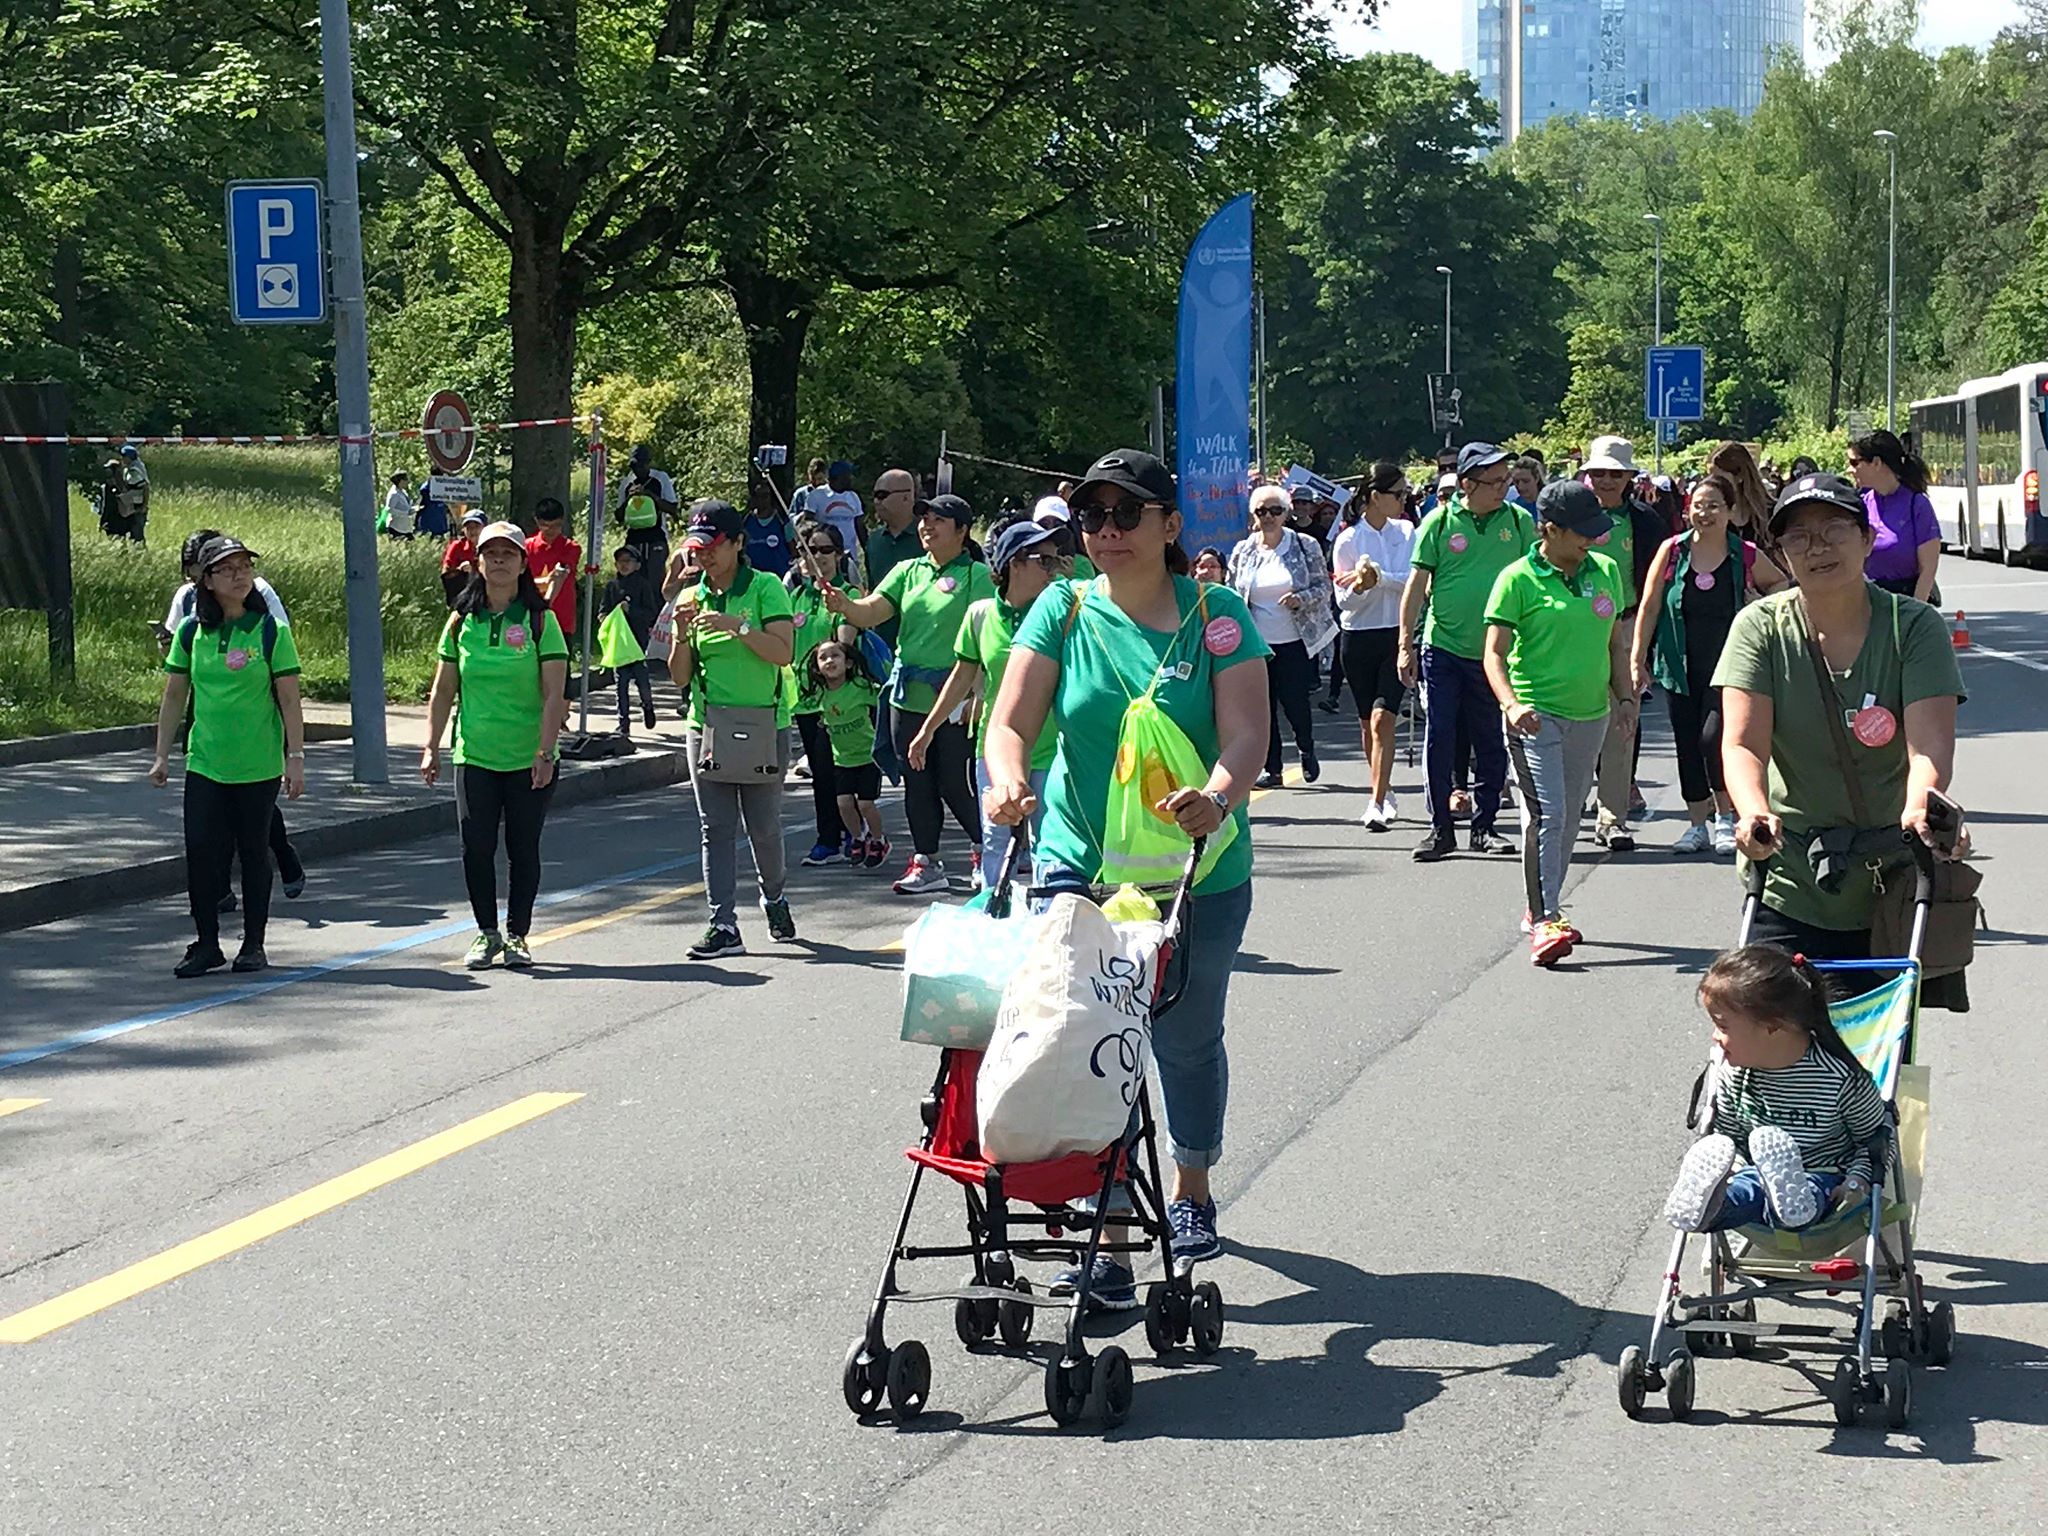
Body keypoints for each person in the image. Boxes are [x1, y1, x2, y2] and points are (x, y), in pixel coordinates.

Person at [984, 447, 1269, 1295]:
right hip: (1081, 863)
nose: (1104, 532)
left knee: (1182, 1038)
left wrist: (1218, 796)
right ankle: (1108, 1239)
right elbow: (1011, 723)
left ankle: (1190, 1191)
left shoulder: (1216, 614)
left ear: (1169, 526)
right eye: (1091, 516)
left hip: (1195, 870)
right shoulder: (1061, 610)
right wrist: (1007, 781)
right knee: (1088, 1038)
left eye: (1125, 514)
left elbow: (1248, 732)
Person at [1717, 472, 1966, 979]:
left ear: (1868, 538)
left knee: (1886, 1047)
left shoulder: (1914, 627)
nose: (1818, 548)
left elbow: (1929, 748)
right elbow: (1743, 744)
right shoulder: (1759, 627)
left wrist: (1920, 807)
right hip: (1790, 878)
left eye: (1834, 529)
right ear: (1781, 550)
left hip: (1894, 882)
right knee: (1771, 1044)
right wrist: (1753, 813)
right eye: (1799, 536)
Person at [1483, 481, 1626, 968]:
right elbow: (1494, 654)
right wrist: (1510, 705)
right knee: (1550, 815)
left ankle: (1540, 904)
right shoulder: (1518, 578)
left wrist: (1625, 697)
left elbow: (1615, 644)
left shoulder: (1604, 571)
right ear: (1549, 529)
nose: (1593, 540)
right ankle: (1546, 920)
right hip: (1535, 716)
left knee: (1569, 819)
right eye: (1581, 532)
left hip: (1592, 714)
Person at [149, 536, 306, 977]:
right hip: (206, 761)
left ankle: (253, 943)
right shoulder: (191, 631)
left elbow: (290, 699)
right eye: (227, 568)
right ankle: (207, 943)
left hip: (257, 764)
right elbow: (176, 693)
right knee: (201, 852)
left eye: (244, 566)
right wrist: (162, 755)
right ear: (207, 580)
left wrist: (295, 756)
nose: (239, 574)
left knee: (254, 852)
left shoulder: (270, 630)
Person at [824, 492, 994, 894]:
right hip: (907, 696)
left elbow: (988, 639)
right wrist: (844, 603)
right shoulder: (908, 571)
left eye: (938, 521)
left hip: (954, 697)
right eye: (924, 520)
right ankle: (927, 862)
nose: (926, 526)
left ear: (962, 531)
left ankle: (985, 849)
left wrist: (977, 694)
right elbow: (870, 612)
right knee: (916, 782)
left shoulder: (977, 576)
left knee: (954, 782)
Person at [422, 522, 568, 970]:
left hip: (528, 756)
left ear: (524, 563)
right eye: (491, 554)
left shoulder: (541, 621)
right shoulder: (461, 620)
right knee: (476, 846)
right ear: (477, 563)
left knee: (523, 848)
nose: (500, 561)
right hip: (475, 754)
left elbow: (554, 695)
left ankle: (518, 934)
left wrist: (544, 752)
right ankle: (487, 933)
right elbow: (443, 690)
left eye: (509, 554)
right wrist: (432, 746)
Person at [1663, 945, 1888, 1235]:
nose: (1715, 1037)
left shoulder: (1841, 1078)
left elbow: (1876, 1140)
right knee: (1746, 1190)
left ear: (1772, 1027)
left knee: (1806, 1194)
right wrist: (1732, 1167)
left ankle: (1787, 1203)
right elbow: (1729, 1138)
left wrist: (1857, 1180)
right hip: (1756, 1174)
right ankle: (1707, 1208)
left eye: (1722, 1026)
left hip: (1827, 1179)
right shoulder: (1734, 1074)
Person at [663, 499, 798, 958]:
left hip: (763, 723)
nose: (703, 557)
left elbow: (783, 653)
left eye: (713, 548)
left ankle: (774, 897)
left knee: (763, 826)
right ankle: (723, 924)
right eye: (696, 550)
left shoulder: (765, 590)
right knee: (714, 827)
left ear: (738, 544)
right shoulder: (690, 595)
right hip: (708, 724)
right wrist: (682, 634)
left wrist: (736, 626)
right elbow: (679, 677)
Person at [1630, 473, 1789, 857]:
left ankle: (1724, 816)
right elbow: (1650, 607)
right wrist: (1637, 659)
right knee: (1686, 744)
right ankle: (1696, 824)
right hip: (1679, 666)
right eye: (1698, 505)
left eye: (1714, 505)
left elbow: (1784, 586)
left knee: (1713, 739)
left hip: (1732, 670)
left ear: (1732, 512)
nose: (1705, 513)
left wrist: (1758, 603)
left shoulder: (1745, 554)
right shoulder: (1672, 552)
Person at [1397, 441, 1534, 861]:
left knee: (1491, 739)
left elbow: (1535, 575)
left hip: (1496, 653)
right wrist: (1406, 644)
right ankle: (1440, 828)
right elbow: (1417, 587)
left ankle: (1485, 826)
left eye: (1506, 481)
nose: (1502, 489)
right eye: (1494, 482)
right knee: (1441, 737)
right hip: (1444, 648)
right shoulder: (1439, 523)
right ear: (1468, 484)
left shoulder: (1519, 521)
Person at [909, 514, 1065, 881]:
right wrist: (927, 730)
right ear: (1014, 563)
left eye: (1054, 560)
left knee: (1050, 844)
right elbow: (962, 677)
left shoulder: (1061, 613)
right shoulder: (980, 615)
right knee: (996, 840)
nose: (1052, 570)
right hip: (995, 749)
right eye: (1043, 560)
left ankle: (1049, 920)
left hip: (1053, 748)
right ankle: (997, 916)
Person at [1579, 435, 1668, 852]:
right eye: (1598, 473)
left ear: (1629, 477)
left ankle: (1612, 815)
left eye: (1615, 474)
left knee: (1622, 720)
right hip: (1574, 626)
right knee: (1573, 718)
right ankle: (1567, 804)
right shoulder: (1569, 516)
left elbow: (1655, 587)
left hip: (1626, 624)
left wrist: (1645, 647)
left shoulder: (1646, 520)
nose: (1606, 480)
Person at [1228, 484, 1335, 788]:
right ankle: (1271, 767)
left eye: (1275, 510)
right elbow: (1232, 593)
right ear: (1253, 516)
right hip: (1256, 643)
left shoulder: (1305, 545)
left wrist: (1301, 598)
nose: (1269, 517)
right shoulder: (1244, 550)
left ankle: (1306, 747)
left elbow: (1324, 588)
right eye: (1262, 511)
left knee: (1295, 703)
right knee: (1263, 707)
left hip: (1295, 639)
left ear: (1287, 513)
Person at [1331, 461, 1416, 831]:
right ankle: (1383, 785)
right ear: (1375, 497)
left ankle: (1376, 802)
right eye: (1397, 494)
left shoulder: (1407, 531)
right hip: (1359, 636)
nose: (1403, 501)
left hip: (1395, 634)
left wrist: (1377, 578)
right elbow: (1344, 600)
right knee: (1368, 724)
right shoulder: (1349, 539)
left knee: (1384, 719)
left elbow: (1413, 582)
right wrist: (1362, 587)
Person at [787, 519, 861, 865]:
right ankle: (834, 837)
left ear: (839, 553)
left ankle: (843, 835)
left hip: (840, 701)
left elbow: (845, 642)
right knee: (821, 769)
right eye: (806, 550)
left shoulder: (849, 595)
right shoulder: (797, 596)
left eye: (823, 550)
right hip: (803, 700)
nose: (815, 556)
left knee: (841, 770)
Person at [864, 467, 926, 783]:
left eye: (882, 495)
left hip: (923, 651)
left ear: (906, 498)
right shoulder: (874, 542)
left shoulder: (928, 538)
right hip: (883, 649)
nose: (876, 502)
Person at [807, 638, 889, 866]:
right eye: (823, 658)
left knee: (865, 804)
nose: (829, 661)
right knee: (843, 803)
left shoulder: (861, 688)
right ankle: (858, 838)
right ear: (817, 668)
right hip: (842, 759)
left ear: (849, 663)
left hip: (867, 757)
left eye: (835, 656)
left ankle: (879, 840)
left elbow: (884, 695)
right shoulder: (820, 696)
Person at [1849, 429, 1940, 602]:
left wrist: (1916, 612)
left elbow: (1928, 569)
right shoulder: (1859, 504)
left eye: (1855, 462)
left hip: (1907, 601)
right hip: (1870, 603)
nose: (1849, 469)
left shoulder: (1917, 504)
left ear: (1876, 463)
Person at [600, 543, 660, 736]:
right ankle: (623, 722)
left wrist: (631, 611)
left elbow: (651, 613)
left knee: (642, 680)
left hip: (637, 641)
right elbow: (602, 611)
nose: (624, 565)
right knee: (621, 683)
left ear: (637, 565)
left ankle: (647, 705)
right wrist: (605, 618)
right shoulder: (611, 586)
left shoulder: (643, 585)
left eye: (628, 561)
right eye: (620, 561)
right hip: (619, 644)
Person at [526, 497, 582, 651]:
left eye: (556, 525)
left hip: (561, 620)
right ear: (537, 521)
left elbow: (561, 575)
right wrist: (546, 579)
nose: (551, 530)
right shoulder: (526, 547)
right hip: (530, 617)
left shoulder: (571, 548)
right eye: (545, 525)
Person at [1705, 441, 1773, 536]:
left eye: (1720, 479)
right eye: (1709, 477)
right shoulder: (1708, 513)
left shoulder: (1770, 512)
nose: (1713, 484)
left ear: (1740, 476)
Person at [813, 460, 866, 580]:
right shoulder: (817, 495)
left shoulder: (853, 497)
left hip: (850, 556)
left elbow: (860, 526)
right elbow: (808, 523)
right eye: (848, 475)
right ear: (840, 477)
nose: (851, 479)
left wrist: (866, 550)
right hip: (826, 556)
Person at [741, 482, 799, 578]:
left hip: (779, 577)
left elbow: (793, 550)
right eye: (757, 496)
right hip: (753, 578)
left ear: (771, 497)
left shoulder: (782, 520)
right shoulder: (746, 520)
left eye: (765, 496)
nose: (761, 499)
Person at [442, 508, 486, 607]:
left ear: (485, 527)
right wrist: (459, 570)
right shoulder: (457, 546)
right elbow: (446, 574)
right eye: (468, 527)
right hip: (462, 597)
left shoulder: (491, 547)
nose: (473, 531)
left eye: (476, 526)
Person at [118, 445, 150, 542]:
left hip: (138, 506)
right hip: (130, 505)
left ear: (129, 457)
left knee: (137, 533)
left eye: (123, 456)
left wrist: (144, 505)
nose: (122, 459)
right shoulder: (128, 468)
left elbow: (145, 488)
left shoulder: (136, 470)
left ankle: (142, 553)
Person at [790, 458, 830, 522]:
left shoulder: (832, 494)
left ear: (826, 476)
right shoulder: (800, 494)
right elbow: (791, 518)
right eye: (813, 479)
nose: (817, 482)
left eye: (820, 479)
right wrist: (804, 515)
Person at [381, 473, 417, 539]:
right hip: (396, 528)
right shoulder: (394, 494)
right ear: (400, 481)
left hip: (406, 528)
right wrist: (405, 513)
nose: (408, 482)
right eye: (406, 479)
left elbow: (405, 507)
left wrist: (414, 509)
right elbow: (389, 509)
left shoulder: (403, 492)